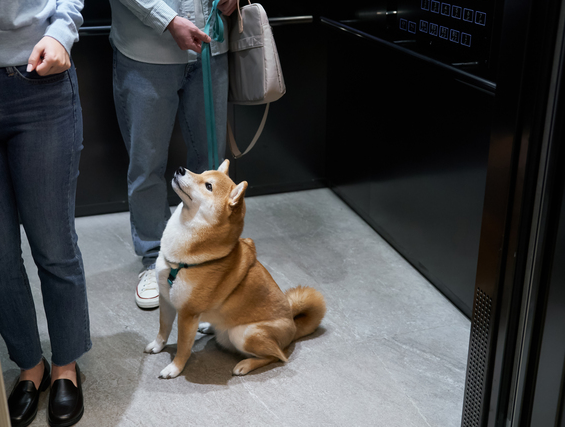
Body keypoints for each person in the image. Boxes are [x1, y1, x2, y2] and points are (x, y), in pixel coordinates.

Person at [109, 0, 237, 309]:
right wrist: (167, 20)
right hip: (145, 51)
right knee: (147, 166)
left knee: (211, 170)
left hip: (211, 46)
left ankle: (205, 258)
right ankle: (157, 259)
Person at [0, 1, 91, 426]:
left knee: (53, 242)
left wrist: (61, 31)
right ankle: (29, 365)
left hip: (37, 77)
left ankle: (66, 366)